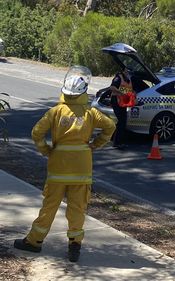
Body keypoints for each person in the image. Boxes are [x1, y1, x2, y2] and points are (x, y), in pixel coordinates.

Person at [13, 65, 116, 262]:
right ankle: (75, 245)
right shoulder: (91, 113)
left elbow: (36, 133)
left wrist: (46, 150)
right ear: (83, 93)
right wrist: (96, 144)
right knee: (77, 208)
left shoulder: (56, 111)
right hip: (82, 168)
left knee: (49, 206)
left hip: (58, 166)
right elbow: (110, 126)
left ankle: (34, 242)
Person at [109, 67, 134, 149]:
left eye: (129, 71)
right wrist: (121, 93)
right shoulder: (118, 78)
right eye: (127, 71)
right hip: (116, 101)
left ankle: (114, 139)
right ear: (123, 71)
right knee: (121, 121)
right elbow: (112, 87)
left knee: (122, 121)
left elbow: (129, 90)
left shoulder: (129, 79)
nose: (128, 73)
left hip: (122, 102)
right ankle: (117, 142)